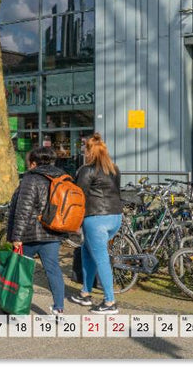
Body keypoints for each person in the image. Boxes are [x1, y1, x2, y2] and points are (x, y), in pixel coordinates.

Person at [5, 148, 68, 315]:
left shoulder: (31, 179)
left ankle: (18, 307)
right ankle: (59, 308)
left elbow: (23, 210)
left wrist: (16, 236)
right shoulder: (63, 177)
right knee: (53, 270)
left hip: (30, 234)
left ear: (33, 163)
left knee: (22, 271)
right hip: (53, 232)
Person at [68, 133, 123, 314]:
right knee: (87, 252)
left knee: (101, 258)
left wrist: (74, 222)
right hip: (115, 217)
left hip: (95, 218)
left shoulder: (87, 170)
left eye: (85, 149)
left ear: (89, 151)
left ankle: (110, 302)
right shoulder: (114, 169)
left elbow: (79, 196)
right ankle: (85, 292)